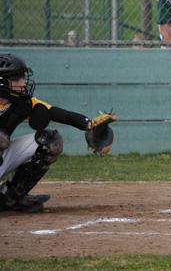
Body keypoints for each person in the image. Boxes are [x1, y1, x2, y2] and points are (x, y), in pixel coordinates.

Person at [0, 54, 116, 213]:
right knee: (1, 139)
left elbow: (58, 114)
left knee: (50, 142)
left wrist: (88, 124)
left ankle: (10, 198)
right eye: (16, 78)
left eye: (22, 77)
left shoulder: (21, 103)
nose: (23, 82)